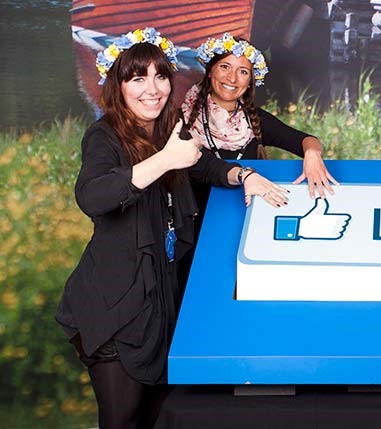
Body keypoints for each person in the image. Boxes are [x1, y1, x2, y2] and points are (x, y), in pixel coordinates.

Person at [55, 28, 278, 428]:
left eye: (160, 76)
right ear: (118, 85)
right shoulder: (104, 136)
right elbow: (93, 195)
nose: (152, 89)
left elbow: (202, 164)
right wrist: (164, 160)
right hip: (117, 305)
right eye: (138, 78)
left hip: (162, 297)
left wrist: (243, 176)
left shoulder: (168, 126)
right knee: (122, 419)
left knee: (158, 416)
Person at [182, 32, 337, 203]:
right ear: (210, 71)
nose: (232, 78)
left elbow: (305, 140)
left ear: (250, 82)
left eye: (243, 72)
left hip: (246, 212)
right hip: (196, 217)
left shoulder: (255, 119)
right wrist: (244, 175)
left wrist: (312, 153)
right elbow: (205, 167)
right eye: (225, 67)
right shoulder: (181, 120)